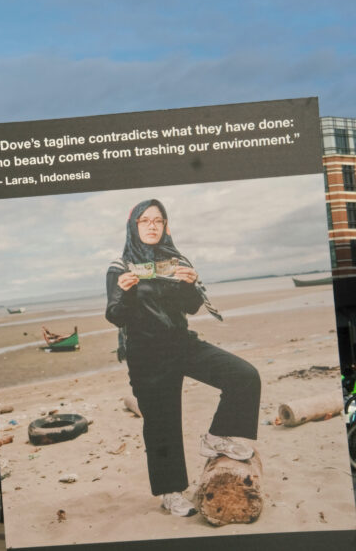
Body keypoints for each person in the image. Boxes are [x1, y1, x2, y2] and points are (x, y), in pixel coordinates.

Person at [105, 199, 261, 518]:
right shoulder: (119, 267)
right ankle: (171, 493)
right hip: (146, 355)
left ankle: (216, 437)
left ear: (166, 226)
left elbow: (190, 307)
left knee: (244, 375)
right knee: (162, 424)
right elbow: (116, 316)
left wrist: (190, 285)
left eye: (158, 220)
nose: (152, 226)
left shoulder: (176, 260)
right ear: (133, 226)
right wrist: (127, 291)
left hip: (182, 343)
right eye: (145, 220)